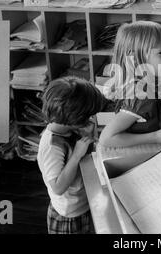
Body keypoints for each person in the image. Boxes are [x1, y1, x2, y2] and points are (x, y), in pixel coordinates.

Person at [98, 21, 161, 148]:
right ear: (136, 58)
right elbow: (106, 139)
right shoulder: (140, 94)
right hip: (138, 155)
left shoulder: (146, 83)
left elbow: (154, 106)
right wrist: (157, 136)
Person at [37, 76, 104, 234]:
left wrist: (85, 136)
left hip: (83, 204)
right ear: (73, 117)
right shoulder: (52, 146)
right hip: (69, 216)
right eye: (87, 116)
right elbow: (58, 188)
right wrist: (76, 156)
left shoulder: (68, 129)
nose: (90, 119)